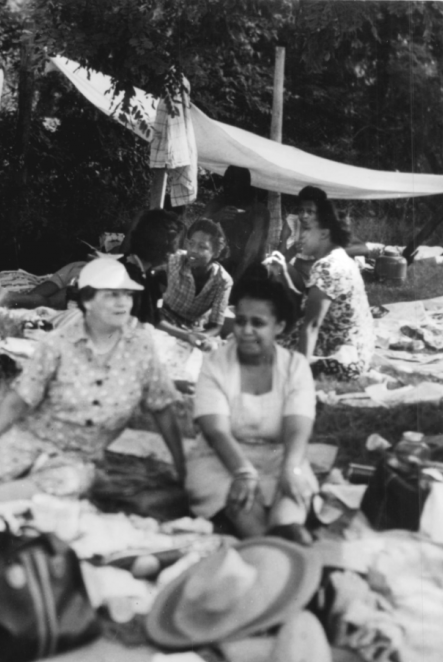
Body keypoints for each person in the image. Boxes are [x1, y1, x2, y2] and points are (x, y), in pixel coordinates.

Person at [0, 256, 187, 498]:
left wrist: (181, 465)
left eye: (126, 295)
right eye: (111, 296)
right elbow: (16, 402)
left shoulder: (140, 347)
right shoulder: (58, 344)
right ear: (88, 301)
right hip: (33, 439)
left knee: (63, 482)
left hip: (77, 458)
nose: (122, 303)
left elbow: (163, 408)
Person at [185, 279, 317, 542]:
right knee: (250, 516)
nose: (245, 330)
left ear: (279, 326)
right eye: (241, 320)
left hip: (280, 458)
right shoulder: (215, 364)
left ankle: (285, 546)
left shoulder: (296, 366)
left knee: (289, 516)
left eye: (257, 323)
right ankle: (273, 552)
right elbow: (216, 432)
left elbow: (298, 425)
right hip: (222, 460)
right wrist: (243, 472)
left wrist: (291, 468)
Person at [270, 198, 375, 380]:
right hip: (357, 348)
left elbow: (311, 325)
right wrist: (284, 274)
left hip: (344, 358)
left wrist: (299, 374)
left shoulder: (327, 267)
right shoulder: (340, 257)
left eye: (307, 230)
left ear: (324, 234)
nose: (300, 236)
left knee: (263, 348)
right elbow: (307, 305)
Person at [160, 218, 234, 348]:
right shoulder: (174, 259)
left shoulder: (223, 281)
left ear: (216, 252)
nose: (193, 250)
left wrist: (203, 337)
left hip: (193, 328)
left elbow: (216, 325)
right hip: (164, 320)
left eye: (202, 247)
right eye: (191, 243)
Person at [203, 166, 270, 283]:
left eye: (236, 183)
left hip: (251, 271)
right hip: (222, 266)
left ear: (246, 186)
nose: (230, 187)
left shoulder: (259, 211)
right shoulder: (220, 202)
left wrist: (232, 283)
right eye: (228, 182)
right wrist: (216, 217)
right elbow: (197, 228)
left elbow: (250, 254)